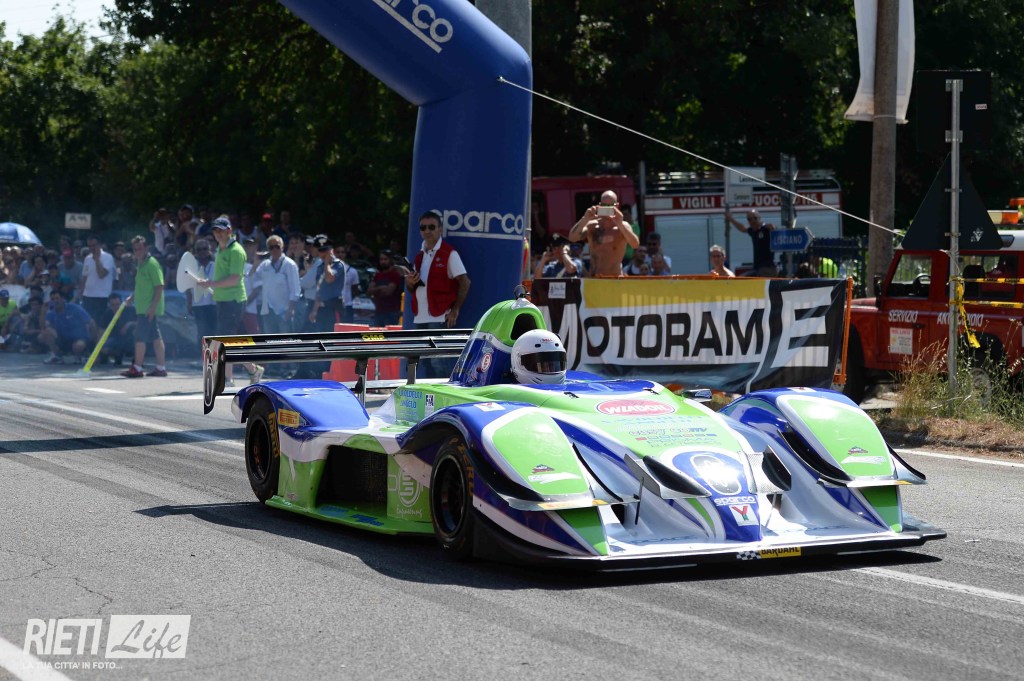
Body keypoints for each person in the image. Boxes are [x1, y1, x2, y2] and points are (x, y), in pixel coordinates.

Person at [196, 216, 263, 384]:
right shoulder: (221, 249)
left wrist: (211, 284)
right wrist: (210, 284)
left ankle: (234, 376)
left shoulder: (236, 251)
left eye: (221, 230)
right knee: (230, 340)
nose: (218, 233)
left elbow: (234, 279)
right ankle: (249, 371)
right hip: (223, 300)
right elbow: (223, 276)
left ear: (229, 231)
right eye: (215, 230)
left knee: (225, 341)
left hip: (233, 301)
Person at [405, 210, 471, 378]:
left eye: (431, 227)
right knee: (423, 360)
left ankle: (444, 390)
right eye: (423, 227)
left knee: (438, 361)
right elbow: (413, 288)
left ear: (440, 229)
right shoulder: (419, 256)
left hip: (440, 315)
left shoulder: (449, 253)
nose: (427, 231)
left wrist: (455, 310)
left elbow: (465, 282)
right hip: (420, 316)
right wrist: (410, 283)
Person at [120, 236, 168, 377]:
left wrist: (152, 307)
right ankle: (161, 367)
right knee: (156, 337)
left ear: (146, 248)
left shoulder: (152, 264)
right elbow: (142, 286)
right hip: (143, 307)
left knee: (139, 337)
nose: (137, 252)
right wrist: (132, 297)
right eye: (135, 249)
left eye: (140, 248)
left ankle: (137, 367)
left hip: (148, 308)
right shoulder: (141, 264)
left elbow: (159, 286)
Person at [566, 190, 641, 276]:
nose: (607, 209)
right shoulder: (592, 226)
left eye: (610, 206)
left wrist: (620, 224)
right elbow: (572, 238)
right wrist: (585, 218)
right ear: (600, 205)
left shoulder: (623, 226)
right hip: (594, 278)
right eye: (604, 205)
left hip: (614, 279)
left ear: (616, 206)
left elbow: (635, 245)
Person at [255, 235, 301, 333]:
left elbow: (295, 290)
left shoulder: (290, 264)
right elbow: (254, 279)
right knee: (269, 340)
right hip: (268, 311)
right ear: (268, 249)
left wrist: (290, 310)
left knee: (286, 341)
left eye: (277, 246)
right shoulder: (264, 265)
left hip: (285, 311)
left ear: (282, 247)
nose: (274, 249)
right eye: (271, 247)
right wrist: (255, 261)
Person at [41, 289, 96, 364]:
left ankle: (80, 356)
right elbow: (44, 327)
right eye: (52, 299)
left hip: (79, 338)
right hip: (63, 339)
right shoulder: (51, 312)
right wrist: (43, 312)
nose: (55, 301)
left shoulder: (75, 308)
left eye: (57, 298)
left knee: (78, 346)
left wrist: (91, 340)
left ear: (63, 299)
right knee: (46, 332)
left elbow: (91, 322)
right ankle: (56, 356)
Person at [726, 207, 777, 276]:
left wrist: (773, 227)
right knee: (741, 278)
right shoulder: (753, 231)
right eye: (750, 219)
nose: (752, 221)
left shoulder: (765, 229)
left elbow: (774, 228)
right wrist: (731, 219)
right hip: (757, 268)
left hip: (767, 268)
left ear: (759, 218)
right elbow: (742, 228)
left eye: (755, 218)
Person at [187, 238, 217, 357]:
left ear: (209, 250)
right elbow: (188, 288)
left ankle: (214, 356)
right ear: (195, 252)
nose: (202, 252)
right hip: (198, 304)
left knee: (214, 331)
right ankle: (204, 357)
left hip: (214, 303)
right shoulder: (192, 267)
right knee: (202, 332)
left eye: (204, 249)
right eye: (199, 249)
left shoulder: (216, 265)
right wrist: (189, 303)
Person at [78, 236, 116, 323]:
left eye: (94, 245)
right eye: (90, 246)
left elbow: (101, 274)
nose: (92, 248)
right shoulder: (87, 258)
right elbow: (84, 277)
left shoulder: (108, 257)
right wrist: (81, 293)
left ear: (99, 245)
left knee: (100, 322)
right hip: (88, 296)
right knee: (89, 322)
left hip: (102, 296)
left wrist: (97, 259)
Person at [96, 292, 136, 365]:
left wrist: (129, 324)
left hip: (130, 338)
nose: (116, 307)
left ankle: (137, 359)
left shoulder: (131, 310)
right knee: (105, 348)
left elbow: (141, 323)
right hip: (115, 339)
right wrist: (99, 349)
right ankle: (115, 355)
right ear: (109, 305)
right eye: (113, 305)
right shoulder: (107, 314)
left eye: (118, 304)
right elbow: (101, 332)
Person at [366, 250, 404, 326]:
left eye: (385, 259)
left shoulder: (395, 275)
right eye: (381, 259)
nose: (383, 262)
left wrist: (376, 290)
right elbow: (369, 291)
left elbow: (388, 292)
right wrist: (380, 288)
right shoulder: (378, 275)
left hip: (392, 312)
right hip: (379, 311)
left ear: (390, 260)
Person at [332, 244, 360, 323]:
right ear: (334, 253)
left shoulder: (352, 271)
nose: (340, 254)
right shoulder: (328, 270)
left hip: (346, 306)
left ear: (345, 254)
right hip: (331, 306)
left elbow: (355, 290)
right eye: (338, 252)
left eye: (342, 252)